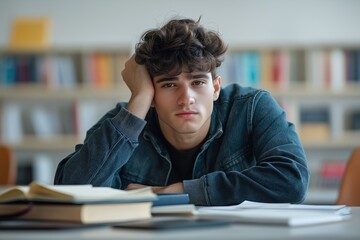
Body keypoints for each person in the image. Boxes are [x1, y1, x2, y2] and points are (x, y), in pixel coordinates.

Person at [54, 17, 309, 206]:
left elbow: (292, 180)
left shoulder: (252, 107)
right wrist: (140, 98)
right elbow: (71, 191)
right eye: (169, 84)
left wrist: (176, 191)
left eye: (198, 82)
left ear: (216, 88)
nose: (186, 98)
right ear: (152, 94)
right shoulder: (125, 122)